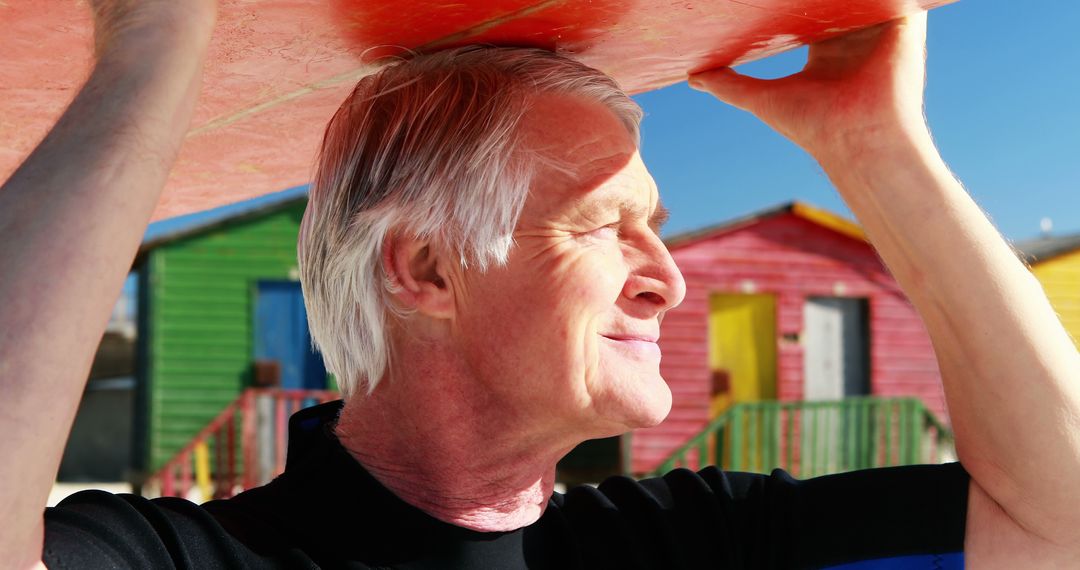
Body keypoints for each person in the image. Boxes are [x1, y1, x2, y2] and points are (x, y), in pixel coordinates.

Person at [1, 0, 1078, 568]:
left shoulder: (699, 544)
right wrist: (151, 50)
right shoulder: (188, 562)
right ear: (423, 268)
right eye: (603, 228)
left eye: (654, 229)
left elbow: (1061, 522)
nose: (666, 280)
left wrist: (882, 152)